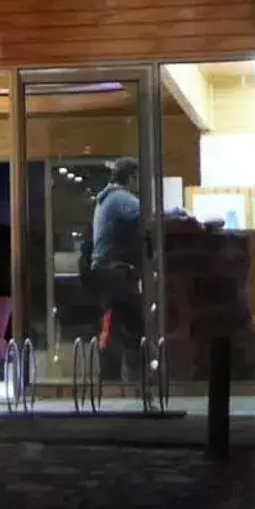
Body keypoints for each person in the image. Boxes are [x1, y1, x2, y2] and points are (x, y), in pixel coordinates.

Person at [89, 157, 144, 380]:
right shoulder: (120, 198)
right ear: (132, 177)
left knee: (116, 324)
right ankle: (124, 380)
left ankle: (115, 378)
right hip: (113, 272)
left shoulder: (106, 198)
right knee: (129, 325)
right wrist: (180, 213)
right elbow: (151, 215)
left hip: (106, 271)